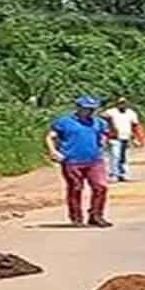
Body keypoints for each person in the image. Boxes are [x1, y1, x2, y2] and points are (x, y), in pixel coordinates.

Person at [46, 94, 113, 227]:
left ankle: (96, 215)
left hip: (94, 160)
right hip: (72, 160)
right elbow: (50, 137)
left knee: (100, 187)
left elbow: (107, 135)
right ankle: (76, 217)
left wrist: (104, 140)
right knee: (76, 188)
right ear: (79, 108)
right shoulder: (64, 122)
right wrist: (53, 151)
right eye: (86, 108)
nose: (89, 111)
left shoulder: (99, 122)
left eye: (92, 109)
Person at [102, 96, 143, 183]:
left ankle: (123, 174)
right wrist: (109, 126)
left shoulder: (131, 113)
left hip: (126, 137)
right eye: (120, 103)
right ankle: (114, 174)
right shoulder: (111, 112)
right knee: (115, 156)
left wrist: (136, 138)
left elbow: (134, 125)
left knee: (124, 157)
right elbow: (102, 116)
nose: (122, 105)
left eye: (124, 103)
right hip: (114, 138)